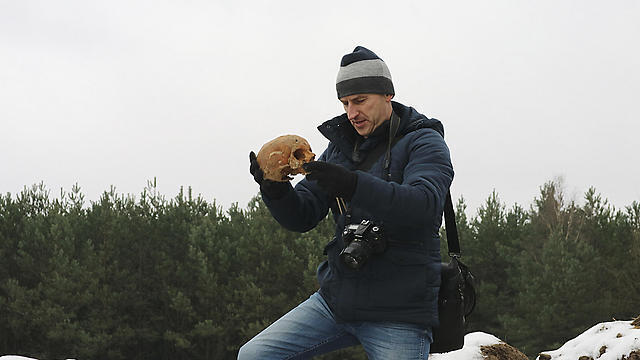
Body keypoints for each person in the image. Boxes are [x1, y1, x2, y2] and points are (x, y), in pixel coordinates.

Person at [240, 46, 454, 359]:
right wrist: (275, 190)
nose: (351, 113)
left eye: (360, 100)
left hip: (400, 313)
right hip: (336, 301)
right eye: (345, 103)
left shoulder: (425, 142)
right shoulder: (340, 149)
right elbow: (303, 215)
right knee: (254, 355)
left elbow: (423, 206)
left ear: (386, 96)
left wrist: (353, 185)